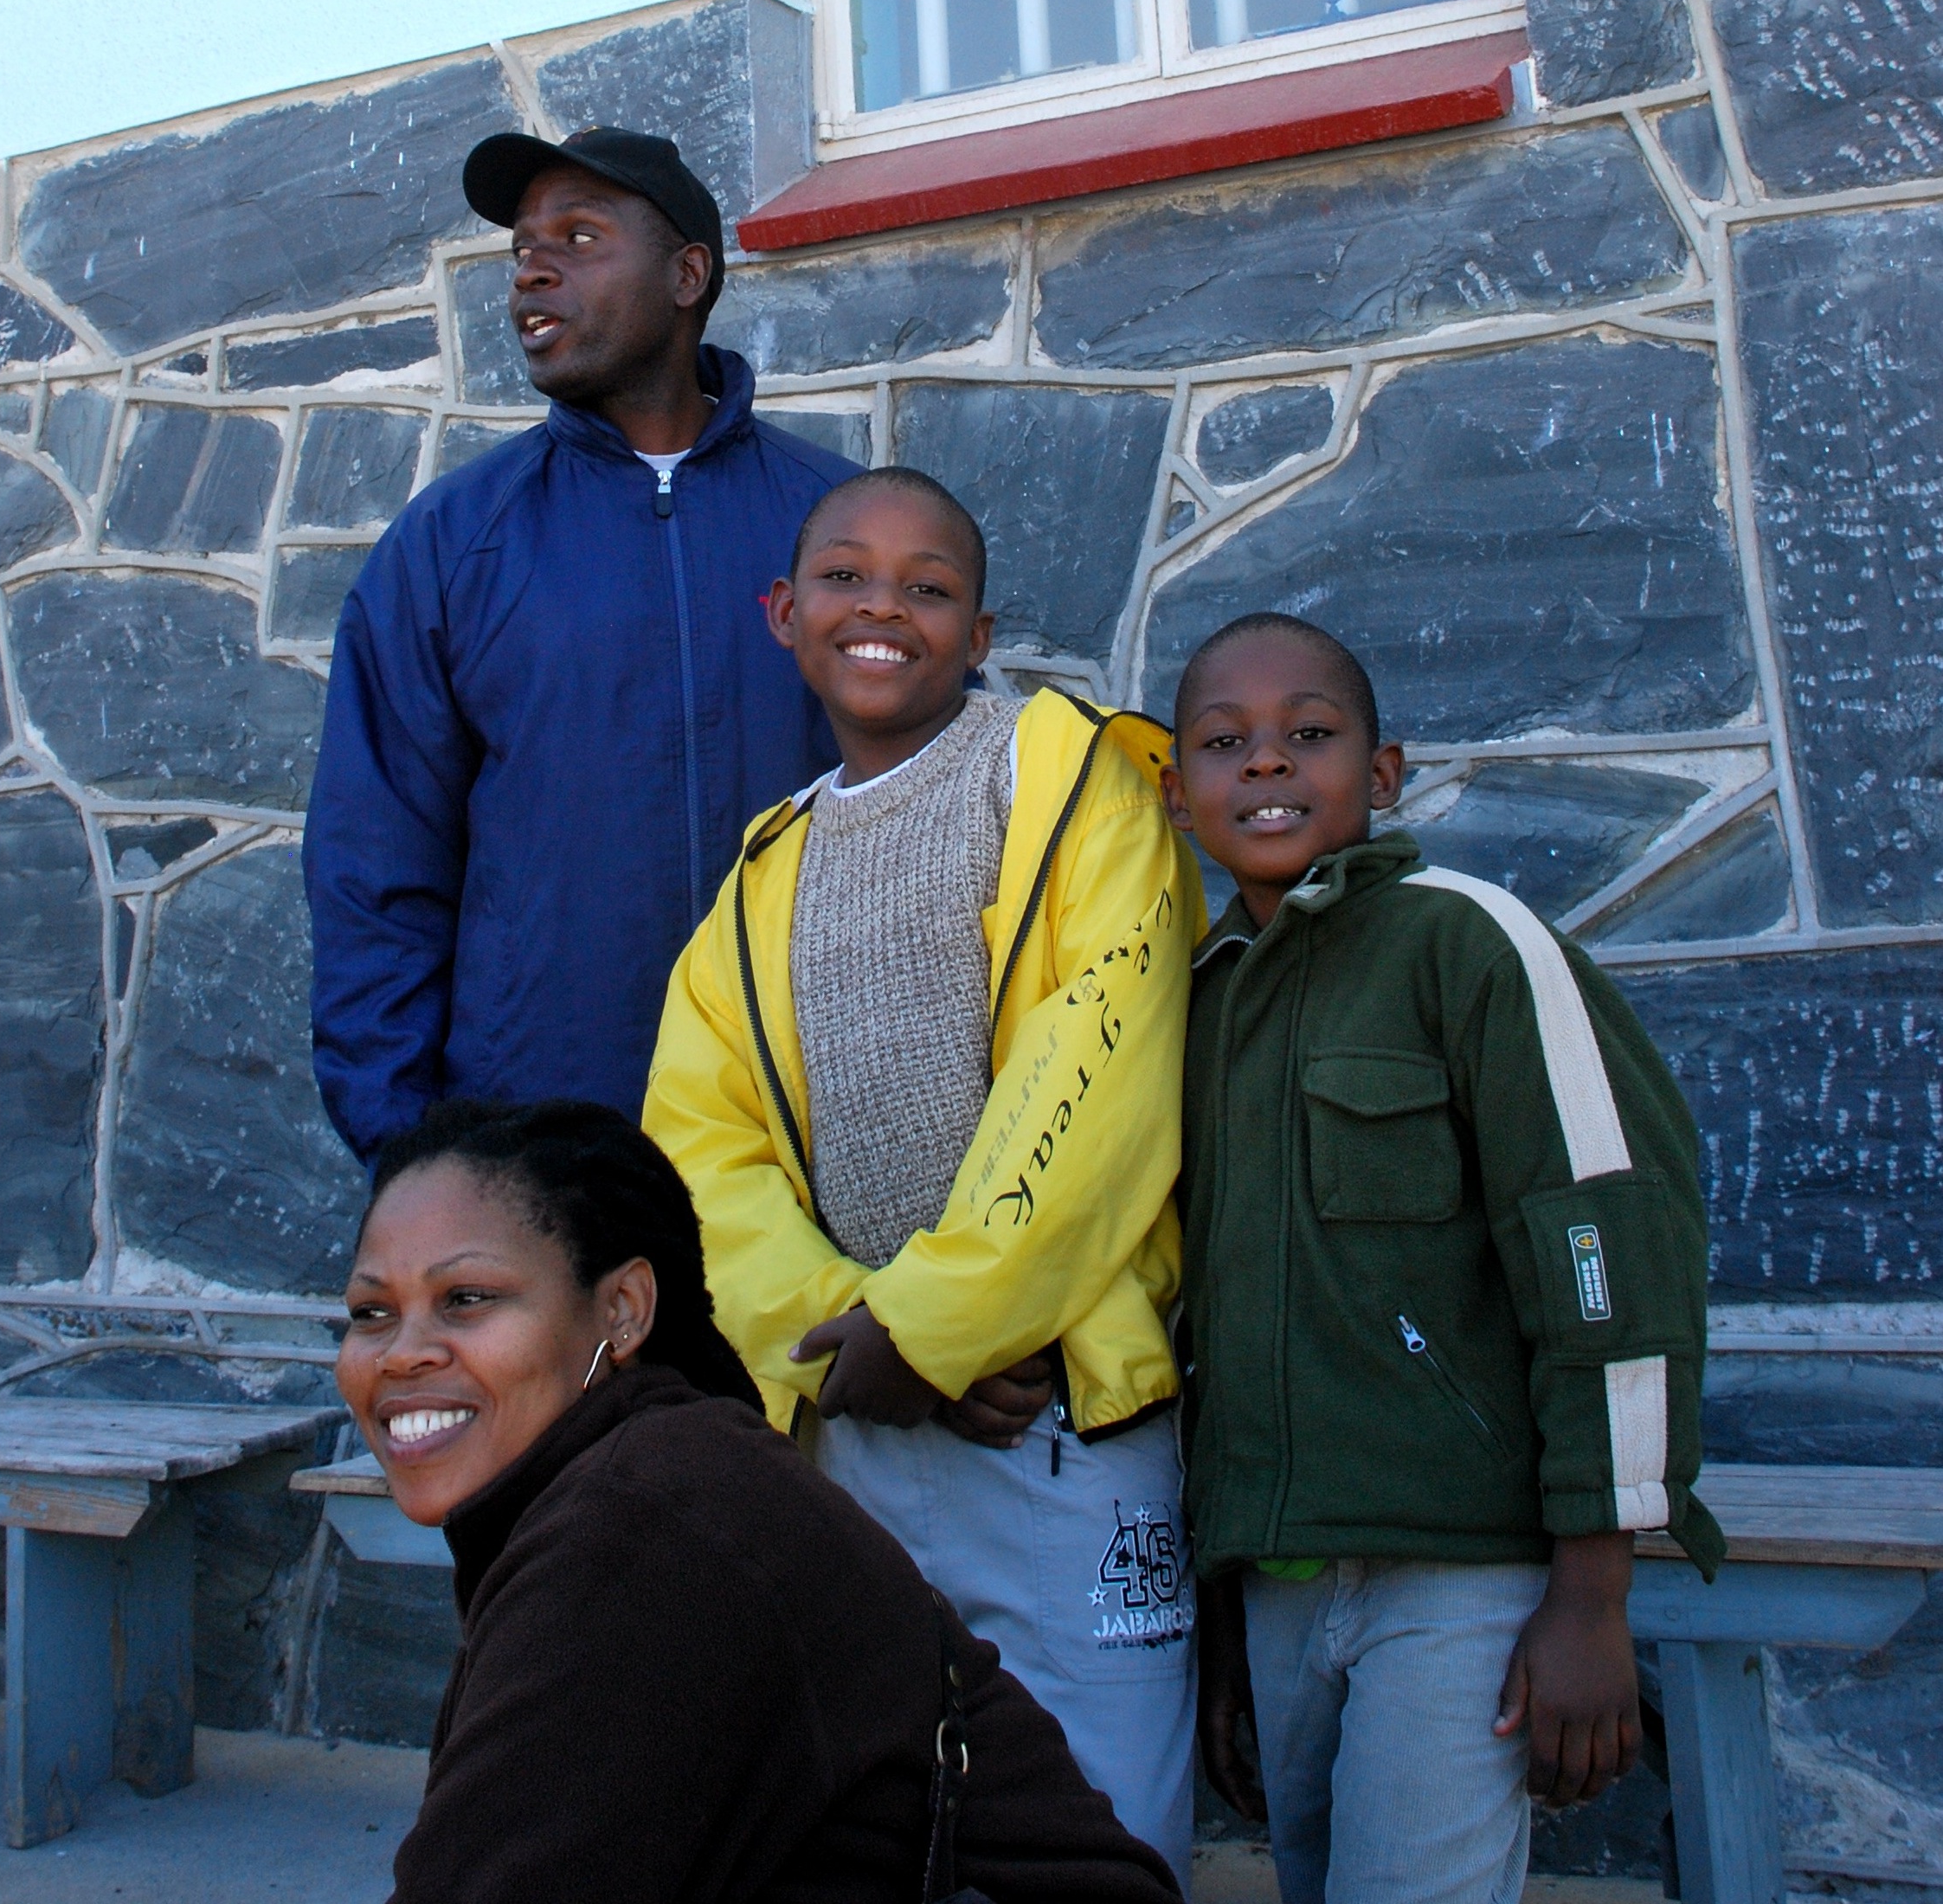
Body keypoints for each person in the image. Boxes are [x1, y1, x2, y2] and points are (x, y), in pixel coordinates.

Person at [645, 466, 1201, 1886]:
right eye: (844, 575)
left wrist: (937, 1329)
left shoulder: (1070, 780)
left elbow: (1101, 1069)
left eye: (928, 586)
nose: (882, 604)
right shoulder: (763, 876)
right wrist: (847, 1342)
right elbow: (701, 1151)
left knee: (1096, 1830)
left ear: (977, 628)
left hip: (1050, 1417)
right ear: (785, 613)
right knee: (882, 1817)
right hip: (859, 1426)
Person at [1159, 611, 1721, 1904]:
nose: (1264, 766)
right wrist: (1225, 1610)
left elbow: (1604, 1242)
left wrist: (1591, 1590)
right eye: (1223, 743)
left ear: (1387, 770)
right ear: (1179, 796)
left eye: (1309, 735)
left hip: (1466, 1576)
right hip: (1282, 1587)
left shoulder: (1466, 945)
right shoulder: (1194, 1003)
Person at [338, 1093, 1183, 1904]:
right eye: (371, 1312)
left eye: (468, 1299)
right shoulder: (646, 1474)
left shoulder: (640, 1530)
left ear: (623, 1311)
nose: (402, 1354)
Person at [306, 125, 857, 1156]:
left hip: (813, 1139)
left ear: (688, 273)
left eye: (579, 236)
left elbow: (946, 811)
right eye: (522, 250)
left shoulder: (841, 525)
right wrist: (409, 1152)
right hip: (550, 1156)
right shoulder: (450, 544)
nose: (532, 273)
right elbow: (373, 873)